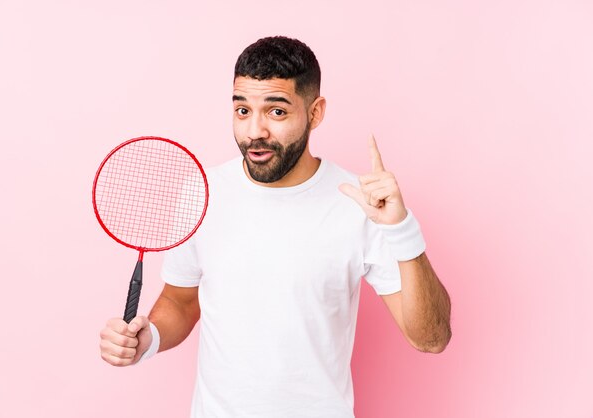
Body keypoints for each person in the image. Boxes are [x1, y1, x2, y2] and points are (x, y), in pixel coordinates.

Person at [99, 36, 451, 418]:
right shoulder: (203, 193)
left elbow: (431, 338)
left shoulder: (360, 204)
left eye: (276, 112)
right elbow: (180, 302)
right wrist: (147, 339)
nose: (255, 131)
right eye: (242, 110)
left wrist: (401, 230)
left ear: (315, 113)